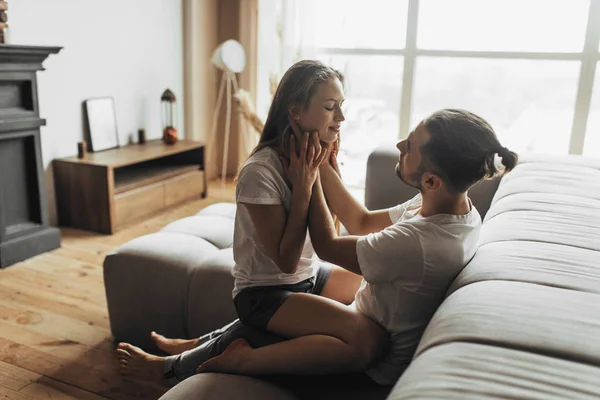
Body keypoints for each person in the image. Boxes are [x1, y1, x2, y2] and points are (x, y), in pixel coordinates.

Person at [117, 107, 518, 385]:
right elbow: (360, 220)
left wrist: (307, 180)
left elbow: (327, 243)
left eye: (409, 147)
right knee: (297, 285)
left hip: (371, 355)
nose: (399, 145)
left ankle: (197, 365)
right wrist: (326, 163)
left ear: (431, 179)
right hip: (377, 304)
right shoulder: (452, 208)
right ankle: (200, 343)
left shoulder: (419, 243)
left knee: (284, 294)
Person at [116, 60, 389, 385]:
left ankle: (197, 343)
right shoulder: (260, 171)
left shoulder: (316, 152)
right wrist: (302, 189)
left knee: (379, 288)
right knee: (367, 337)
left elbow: (329, 237)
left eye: (341, 106)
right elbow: (286, 263)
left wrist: (328, 173)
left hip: (311, 276)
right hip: (265, 294)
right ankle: (168, 367)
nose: (341, 118)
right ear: (296, 112)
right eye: (330, 107)